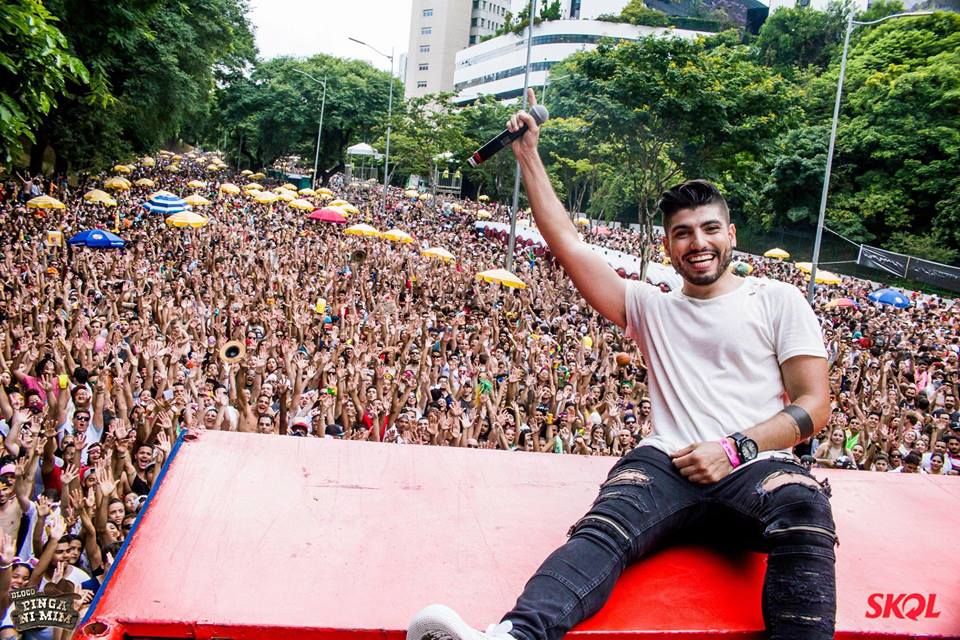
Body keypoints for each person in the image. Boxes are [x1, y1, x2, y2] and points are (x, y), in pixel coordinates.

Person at [407, 89, 836, 640]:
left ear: (731, 235)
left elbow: (813, 404)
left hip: (752, 465)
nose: (697, 242)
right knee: (605, 526)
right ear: (667, 245)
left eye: (709, 229)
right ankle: (513, 636)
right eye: (683, 232)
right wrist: (528, 155)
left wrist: (733, 448)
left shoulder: (777, 300)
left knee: (804, 508)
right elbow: (565, 241)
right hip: (668, 462)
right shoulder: (648, 306)